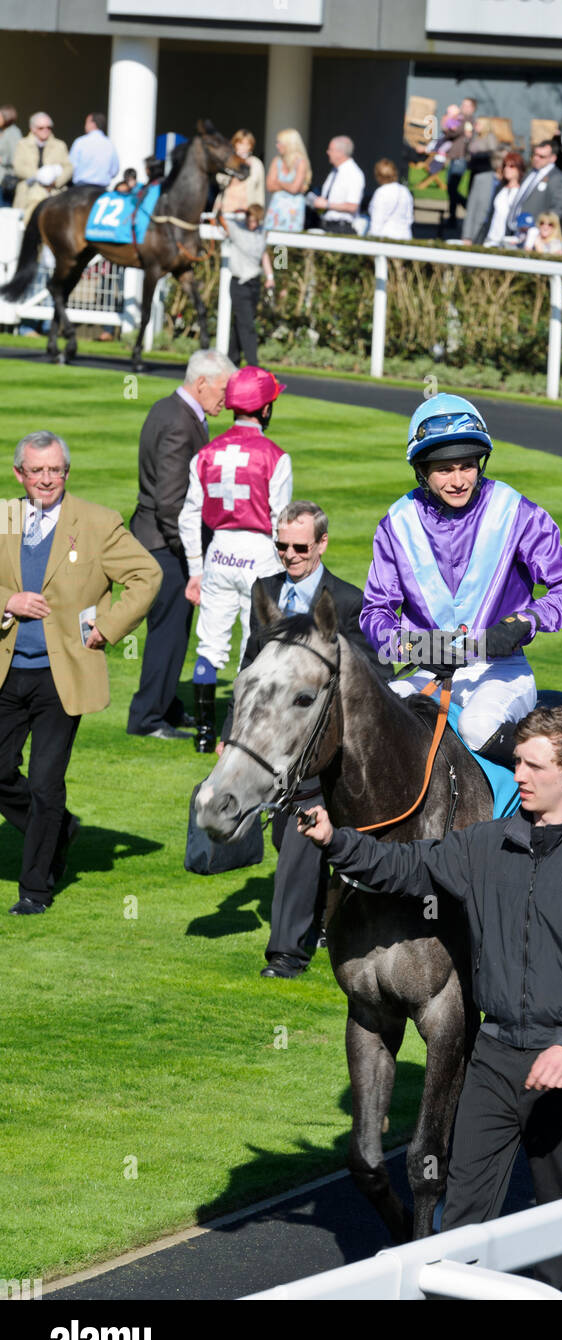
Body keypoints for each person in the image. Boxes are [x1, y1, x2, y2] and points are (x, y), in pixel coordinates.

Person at [299, 703, 562, 1297]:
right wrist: (338, 841)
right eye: (518, 763)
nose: (520, 776)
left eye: (534, 766)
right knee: (456, 1239)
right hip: (492, 1063)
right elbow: (403, 865)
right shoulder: (485, 846)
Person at [361, 394, 562, 765]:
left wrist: (527, 620)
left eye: (467, 466)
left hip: (500, 669)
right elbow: (375, 612)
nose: (458, 481)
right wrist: (413, 648)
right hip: (427, 668)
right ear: (421, 469)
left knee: (477, 724)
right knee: (368, 726)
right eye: (444, 469)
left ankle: (550, 803)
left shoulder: (515, 512)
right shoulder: (397, 522)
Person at [0, 431, 161, 914]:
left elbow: (146, 575)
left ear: (66, 472)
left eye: (55, 470)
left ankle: (36, 888)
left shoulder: (97, 522)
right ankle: (60, 829)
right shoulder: (5, 515)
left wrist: (107, 628)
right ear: (19, 475)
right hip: (8, 671)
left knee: (47, 783)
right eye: (37, 471)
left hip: (62, 674)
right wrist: (7, 601)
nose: (46, 479)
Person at [219, 500, 375, 979]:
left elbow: (372, 674)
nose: (289, 554)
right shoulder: (264, 590)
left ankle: (287, 952)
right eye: (281, 545)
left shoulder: (346, 601)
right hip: (270, 745)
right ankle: (327, 915)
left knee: (302, 834)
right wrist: (230, 732)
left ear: (322, 543)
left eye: (299, 546)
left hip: (321, 745)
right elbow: (250, 664)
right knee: (287, 834)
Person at [179, 366, 292, 753]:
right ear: (263, 410)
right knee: (255, 644)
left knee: (209, 646)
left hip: (219, 551)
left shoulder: (206, 452)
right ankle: (240, 734)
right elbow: (282, 521)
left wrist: (195, 570)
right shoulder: (277, 456)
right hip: (259, 553)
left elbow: (189, 515)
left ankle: (205, 734)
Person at [127, 349, 235, 741]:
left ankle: (167, 706)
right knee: (168, 633)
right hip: (164, 546)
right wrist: (191, 558)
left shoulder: (170, 409)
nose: (228, 397)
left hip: (155, 540)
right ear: (201, 382)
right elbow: (170, 502)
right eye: (223, 388)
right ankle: (147, 717)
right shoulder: (178, 422)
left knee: (173, 631)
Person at [217, 204, 274, 367]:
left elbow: (264, 255)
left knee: (240, 323)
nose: (253, 224)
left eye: (256, 221)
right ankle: (253, 364)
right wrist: (237, 210)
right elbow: (220, 216)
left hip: (254, 283)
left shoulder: (261, 233)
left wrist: (270, 276)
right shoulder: (236, 230)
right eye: (250, 220)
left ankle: (231, 360)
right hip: (239, 284)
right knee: (247, 324)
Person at [12, 112, 72, 223]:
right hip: (29, 191)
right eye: (41, 128)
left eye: (48, 127)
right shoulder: (22, 144)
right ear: (33, 129)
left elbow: (68, 167)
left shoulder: (59, 145)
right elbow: (18, 167)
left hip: (53, 192)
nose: (45, 130)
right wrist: (40, 175)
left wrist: (56, 181)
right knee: (28, 222)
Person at [505, 138, 562, 236]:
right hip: (515, 229)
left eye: (541, 156)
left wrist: (540, 230)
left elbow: (558, 210)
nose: (536, 158)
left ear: (552, 158)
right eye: (534, 154)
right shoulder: (531, 172)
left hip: (534, 234)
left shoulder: (558, 179)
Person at [312, 135, 365, 236]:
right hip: (326, 225)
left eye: (330, 149)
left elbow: (353, 206)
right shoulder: (334, 172)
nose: (327, 152)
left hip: (341, 229)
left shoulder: (353, 174)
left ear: (340, 153)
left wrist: (327, 205)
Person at [264, 128, 311, 233]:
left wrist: (279, 182)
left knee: (288, 243)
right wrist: (288, 185)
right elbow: (270, 186)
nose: (277, 146)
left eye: (279, 143)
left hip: (293, 210)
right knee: (273, 242)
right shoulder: (277, 161)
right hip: (277, 208)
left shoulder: (301, 162)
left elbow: (294, 189)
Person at [216, 129, 266, 217]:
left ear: (251, 146)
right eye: (240, 143)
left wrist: (258, 213)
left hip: (247, 211)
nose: (243, 148)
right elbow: (219, 178)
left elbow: (260, 188)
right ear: (235, 144)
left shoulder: (255, 163)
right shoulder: (228, 162)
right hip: (226, 207)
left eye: (247, 144)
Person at [444, 96, 477, 227]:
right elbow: (449, 133)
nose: (463, 108)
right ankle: (452, 216)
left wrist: (451, 122)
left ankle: (465, 206)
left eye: (467, 106)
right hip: (453, 157)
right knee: (450, 188)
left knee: (452, 187)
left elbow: (454, 131)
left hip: (461, 157)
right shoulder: (459, 119)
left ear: (473, 108)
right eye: (462, 105)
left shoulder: (469, 121)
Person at [483, 150, 525, 247]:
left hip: (508, 239)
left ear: (519, 169)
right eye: (505, 165)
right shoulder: (500, 188)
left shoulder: (522, 191)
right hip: (491, 237)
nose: (507, 169)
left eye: (511, 166)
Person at [69, 113, 119, 189]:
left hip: (81, 189)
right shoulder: (109, 144)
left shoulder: (80, 142)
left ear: (93, 124)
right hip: (101, 190)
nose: (85, 126)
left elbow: (71, 166)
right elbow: (114, 170)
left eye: (87, 122)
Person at [368, 159, 414, 241]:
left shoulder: (381, 192)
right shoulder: (404, 191)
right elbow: (409, 218)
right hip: (405, 236)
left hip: (385, 237)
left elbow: (377, 220)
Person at [0, 105, 23, 207]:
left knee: (4, 209)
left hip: (5, 180)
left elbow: (17, 156)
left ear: (6, 117)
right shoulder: (2, 131)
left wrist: (2, 159)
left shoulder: (13, 132)